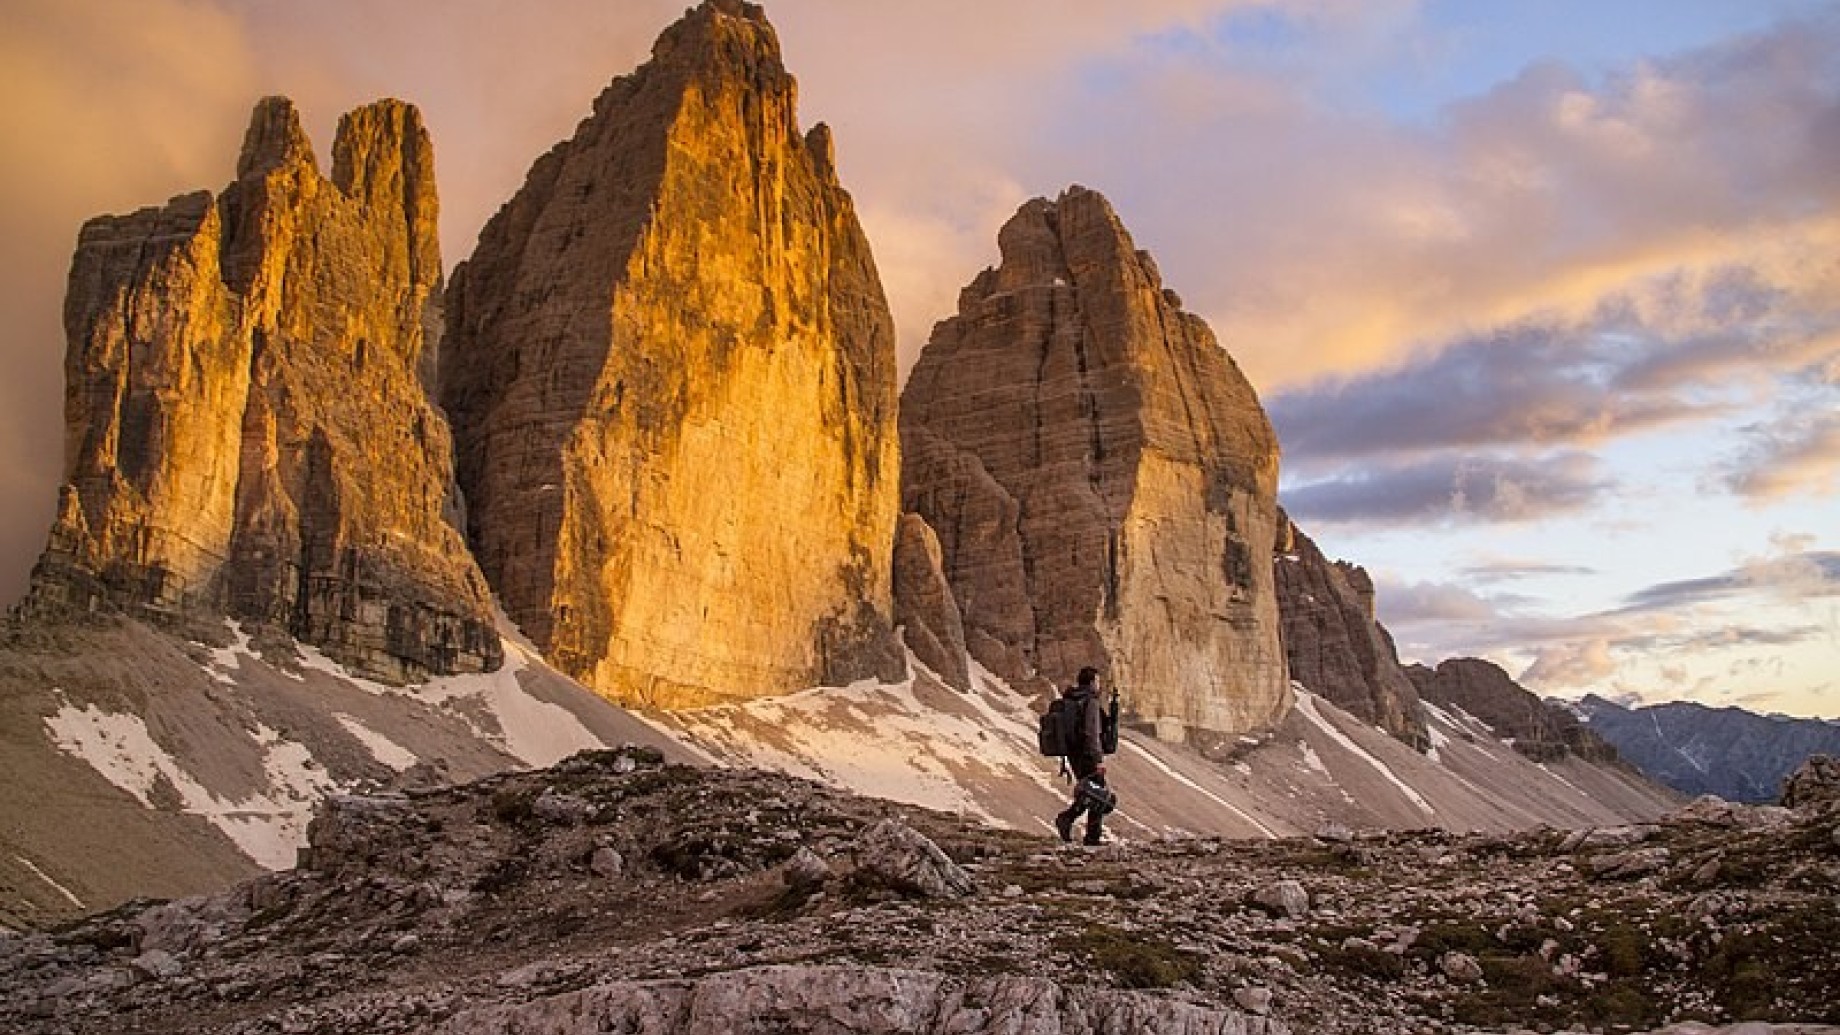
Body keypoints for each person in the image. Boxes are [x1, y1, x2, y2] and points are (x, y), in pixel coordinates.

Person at [1054, 666, 1114, 845]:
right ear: (1091, 682)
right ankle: (1079, 828)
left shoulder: (1072, 699)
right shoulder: (1090, 702)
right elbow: (1092, 732)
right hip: (1087, 754)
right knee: (1098, 793)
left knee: (1091, 791)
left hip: (1074, 753)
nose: (1099, 685)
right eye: (1097, 681)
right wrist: (1097, 759)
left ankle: (1079, 827)